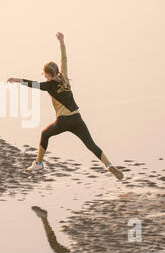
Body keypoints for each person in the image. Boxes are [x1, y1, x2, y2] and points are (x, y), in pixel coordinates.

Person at [7, 32, 123, 180]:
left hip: (63, 121)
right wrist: (61, 42)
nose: (44, 76)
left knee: (44, 134)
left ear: (48, 74)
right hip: (77, 119)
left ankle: (39, 162)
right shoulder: (64, 77)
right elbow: (64, 59)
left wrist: (17, 80)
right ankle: (109, 165)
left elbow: (33, 84)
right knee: (91, 144)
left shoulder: (49, 85)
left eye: (44, 74)